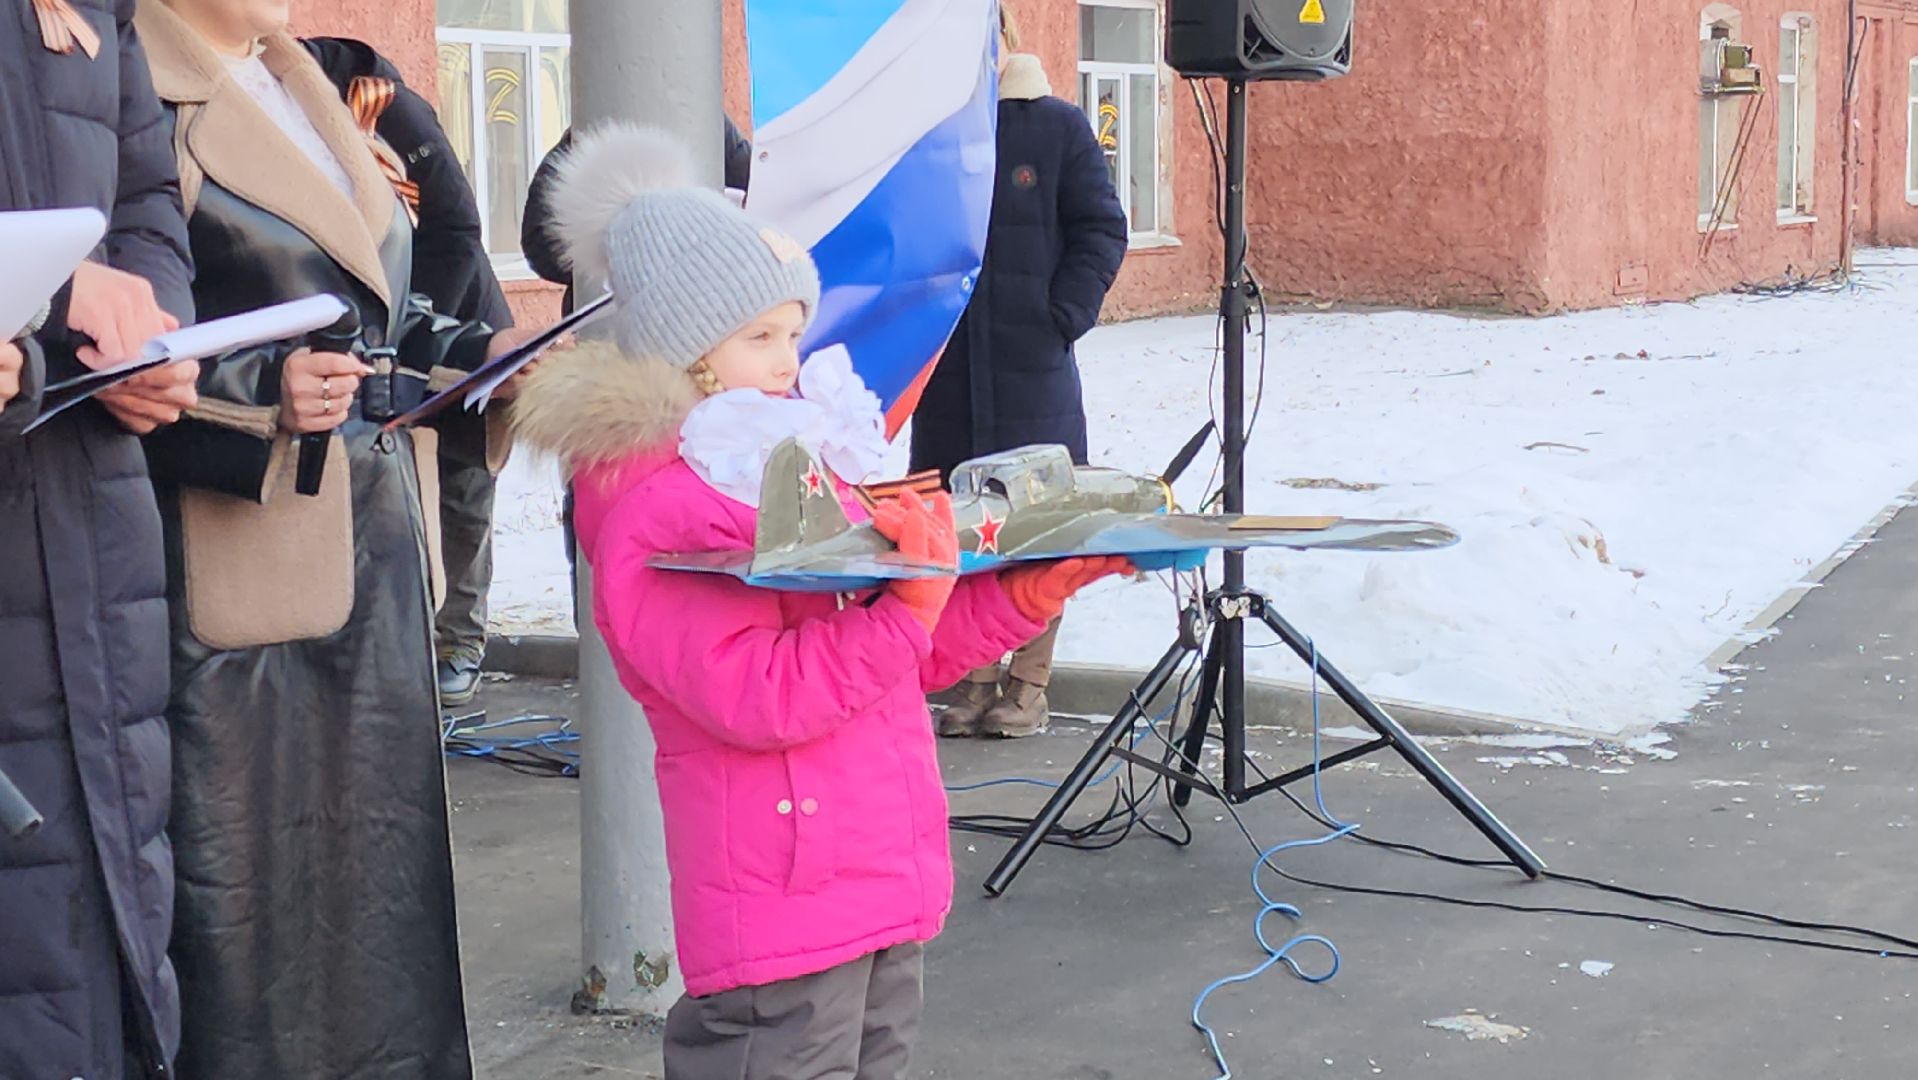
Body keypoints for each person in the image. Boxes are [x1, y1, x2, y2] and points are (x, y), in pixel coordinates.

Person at [510, 124, 1128, 1079]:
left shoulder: (803, 463)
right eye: (758, 338)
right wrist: (910, 607)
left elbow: (899, 657)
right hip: (779, 899)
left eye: (793, 334)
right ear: (683, 352)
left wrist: (1021, 595)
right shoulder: (660, 507)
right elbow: (759, 695)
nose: (786, 362)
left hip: (873, 870)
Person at [131, 0, 549, 1075]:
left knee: (381, 891)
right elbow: (103, 353)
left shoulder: (307, 83)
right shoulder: (132, 89)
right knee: (248, 907)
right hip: (234, 565)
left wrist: (487, 362)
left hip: (376, 540)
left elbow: (375, 316)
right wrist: (256, 394)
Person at [0, 1, 197, 1076]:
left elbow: (145, 195)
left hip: (92, 518)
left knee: (107, 910)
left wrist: (149, 329)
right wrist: (58, 299)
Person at [910, 5, 1129, 739]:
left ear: (1004, 39)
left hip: (1032, 370)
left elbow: (1102, 228)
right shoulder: (934, 133)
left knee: (1037, 530)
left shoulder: (1057, 127)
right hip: (948, 377)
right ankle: (973, 679)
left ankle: (1029, 685)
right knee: (958, 526)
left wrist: (1059, 315)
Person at [305, 34, 515, 706]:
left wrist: (415, 333)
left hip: (458, 319)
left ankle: (461, 637)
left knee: (463, 487)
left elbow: (457, 230)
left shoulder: (388, 108)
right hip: (381, 332)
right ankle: (408, 636)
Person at [522, 117, 752, 622]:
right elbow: (542, 245)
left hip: (708, 364)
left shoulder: (715, 132)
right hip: (619, 351)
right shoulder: (590, 136)